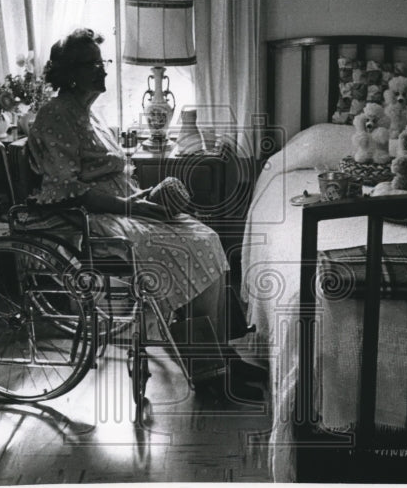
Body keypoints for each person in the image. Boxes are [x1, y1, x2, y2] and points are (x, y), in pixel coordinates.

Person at [27, 28, 264, 399]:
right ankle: (209, 372)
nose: (103, 71)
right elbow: (68, 190)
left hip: (124, 206)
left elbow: (112, 174)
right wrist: (133, 205)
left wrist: (144, 196)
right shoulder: (55, 115)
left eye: (101, 62)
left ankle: (218, 357)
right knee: (189, 250)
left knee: (207, 237)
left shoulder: (90, 115)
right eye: (92, 64)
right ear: (71, 73)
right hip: (89, 219)